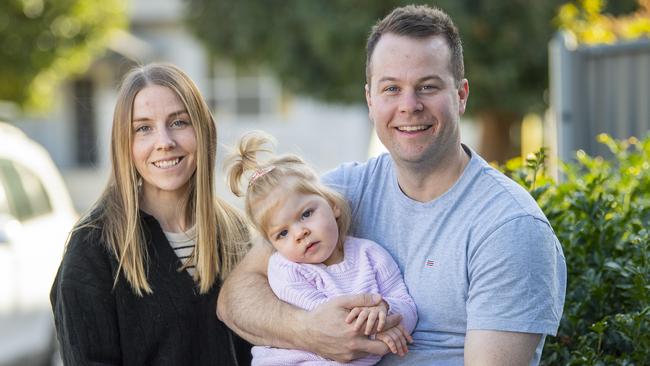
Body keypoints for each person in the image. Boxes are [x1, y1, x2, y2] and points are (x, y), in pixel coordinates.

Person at [217, 5, 567, 366]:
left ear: (461, 95)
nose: (409, 106)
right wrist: (310, 330)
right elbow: (235, 298)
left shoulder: (508, 228)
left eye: (427, 87)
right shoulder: (338, 194)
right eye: (391, 89)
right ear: (370, 100)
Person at [50, 63, 253, 365]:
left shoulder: (234, 230)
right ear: (125, 144)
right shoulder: (93, 247)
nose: (164, 142)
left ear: (203, 130)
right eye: (143, 128)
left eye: (179, 122)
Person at [225, 131, 417, 365]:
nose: (300, 233)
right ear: (272, 245)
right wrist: (378, 328)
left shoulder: (370, 255)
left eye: (306, 214)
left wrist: (387, 310)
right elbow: (329, 324)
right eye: (282, 233)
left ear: (333, 205)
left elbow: (406, 305)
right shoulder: (286, 269)